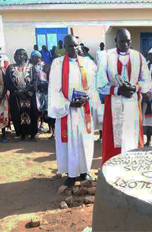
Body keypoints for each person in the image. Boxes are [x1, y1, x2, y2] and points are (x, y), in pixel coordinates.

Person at [97, 28, 152, 164]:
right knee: (114, 140)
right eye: (122, 42)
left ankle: (132, 167)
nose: (125, 45)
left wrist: (135, 87)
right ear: (116, 41)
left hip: (133, 104)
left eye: (128, 41)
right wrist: (118, 90)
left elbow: (147, 81)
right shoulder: (106, 56)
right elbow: (100, 83)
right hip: (113, 105)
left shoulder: (138, 57)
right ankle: (112, 169)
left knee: (132, 138)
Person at [48, 35, 97, 187]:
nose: (74, 49)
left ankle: (84, 171)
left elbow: (92, 86)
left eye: (76, 46)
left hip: (83, 111)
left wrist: (87, 98)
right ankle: (71, 173)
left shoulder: (87, 63)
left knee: (84, 141)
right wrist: (68, 104)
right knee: (68, 143)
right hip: (67, 112)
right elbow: (54, 90)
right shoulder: (57, 64)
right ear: (65, 47)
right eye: (70, 46)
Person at [5, 49, 39, 142]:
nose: (18, 57)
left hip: (29, 96)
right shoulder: (10, 68)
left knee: (32, 114)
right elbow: (7, 82)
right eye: (16, 55)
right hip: (16, 96)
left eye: (20, 55)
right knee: (17, 115)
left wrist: (25, 91)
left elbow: (34, 81)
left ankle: (32, 135)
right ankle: (22, 135)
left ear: (25, 56)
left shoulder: (31, 67)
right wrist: (17, 91)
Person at [0, 47, 10, 144]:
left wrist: (2, 95)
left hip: (2, 94)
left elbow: (7, 81)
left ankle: (4, 135)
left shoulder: (3, 63)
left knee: (3, 114)